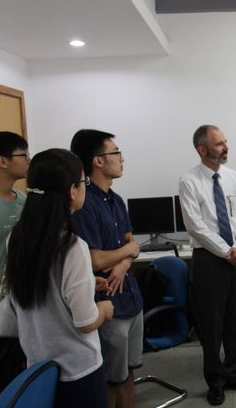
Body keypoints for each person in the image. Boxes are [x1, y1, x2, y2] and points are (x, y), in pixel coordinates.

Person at [5, 148, 114, 408]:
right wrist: (104, 308)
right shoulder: (73, 247)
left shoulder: (16, 238)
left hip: (38, 369)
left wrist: (87, 283)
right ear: (72, 191)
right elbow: (86, 322)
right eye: (84, 182)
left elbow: (42, 288)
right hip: (78, 372)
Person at [179, 124, 236, 406]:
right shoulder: (189, 181)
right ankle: (215, 380)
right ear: (202, 149)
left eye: (225, 142)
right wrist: (228, 251)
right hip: (210, 260)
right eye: (219, 144)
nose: (226, 148)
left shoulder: (233, 177)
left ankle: (235, 372)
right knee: (211, 324)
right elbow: (196, 226)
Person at [71, 129, 143, 408]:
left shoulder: (116, 200)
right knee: (111, 379)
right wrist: (128, 252)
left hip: (131, 298)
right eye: (116, 153)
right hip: (108, 304)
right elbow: (95, 260)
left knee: (128, 372)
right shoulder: (84, 204)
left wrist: (123, 264)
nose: (121, 158)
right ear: (98, 161)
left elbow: (131, 243)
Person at [0, 131, 29, 392]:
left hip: (19, 302)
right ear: (2, 161)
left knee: (14, 375)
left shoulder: (24, 201)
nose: (28, 160)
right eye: (23, 155)